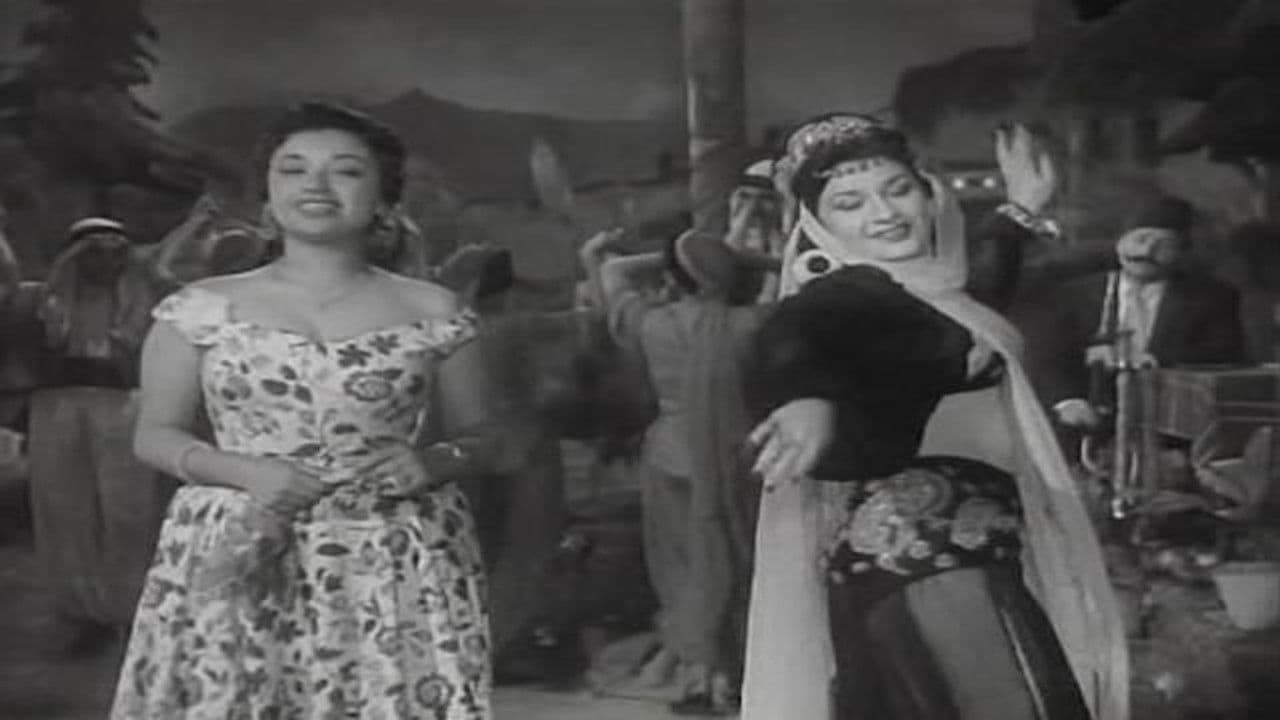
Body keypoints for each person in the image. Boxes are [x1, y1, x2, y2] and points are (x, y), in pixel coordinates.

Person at [111, 101, 499, 719]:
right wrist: (246, 472)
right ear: (268, 195)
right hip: (239, 546)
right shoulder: (200, 309)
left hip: (392, 553)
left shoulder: (435, 311)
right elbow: (154, 435)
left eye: (345, 170)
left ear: (384, 199)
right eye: (292, 169)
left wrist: (437, 460)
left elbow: (489, 437)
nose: (315, 185)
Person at [740, 114, 1127, 720]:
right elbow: (798, 337)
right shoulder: (846, 295)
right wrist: (806, 398)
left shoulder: (930, 295)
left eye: (898, 190)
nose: (883, 214)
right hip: (922, 554)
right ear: (820, 224)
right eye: (849, 203)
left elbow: (973, 301)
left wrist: (1017, 213)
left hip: (958, 555)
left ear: (930, 196)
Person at [582, 227, 768, 715]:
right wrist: (744, 260)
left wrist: (669, 255)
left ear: (673, 277)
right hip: (738, 459)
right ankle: (735, 673)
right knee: (736, 564)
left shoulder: (651, 324)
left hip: (670, 457)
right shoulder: (754, 324)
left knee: (682, 570)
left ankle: (698, 677)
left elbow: (612, 271)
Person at [1046, 193, 1247, 433]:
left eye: (1164, 244)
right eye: (1140, 239)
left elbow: (1225, 354)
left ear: (1182, 252)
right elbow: (1049, 357)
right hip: (1085, 422)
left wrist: (1156, 361)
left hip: (1172, 425)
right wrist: (1067, 401)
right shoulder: (1073, 294)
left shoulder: (1213, 298)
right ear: (1120, 242)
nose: (1147, 251)